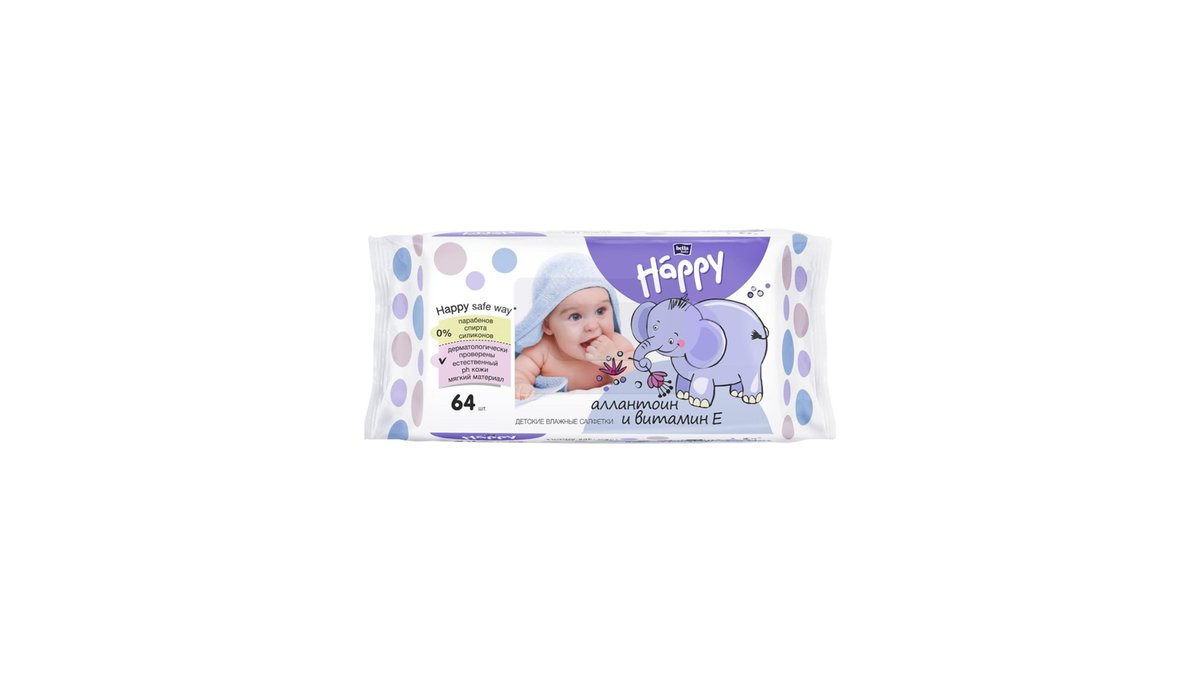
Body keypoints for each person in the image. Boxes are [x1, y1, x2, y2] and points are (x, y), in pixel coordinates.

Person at [513, 254, 635, 400]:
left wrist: (613, 361)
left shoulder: (618, 345)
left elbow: (640, 379)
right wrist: (521, 384)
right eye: (575, 316)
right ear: (547, 325)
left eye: (600, 311)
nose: (591, 326)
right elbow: (518, 372)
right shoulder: (542, 350)